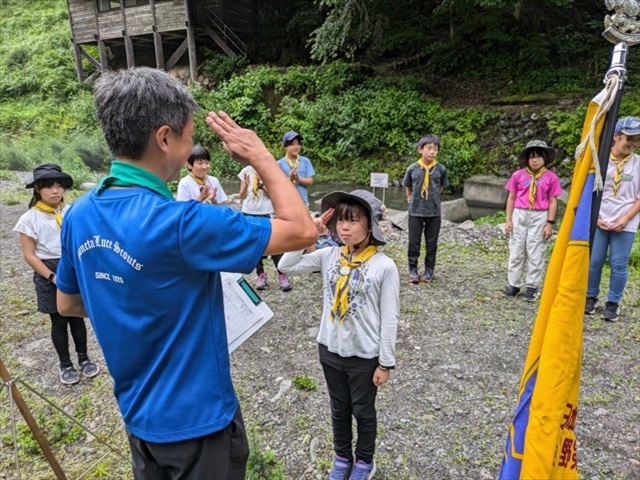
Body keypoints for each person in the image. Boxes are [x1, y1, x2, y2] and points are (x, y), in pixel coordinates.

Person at [55, 67, 317, 479]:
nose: (193, 145)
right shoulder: (182, 222)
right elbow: (301, 230)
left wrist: (131, 295)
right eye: (190, 136)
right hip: (200, 423)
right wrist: (262, 157)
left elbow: (67, 302)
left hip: (138, 417)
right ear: (165, 137)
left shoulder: (79, 214)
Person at [279, 190, 399, 480]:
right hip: (330, 349)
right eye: (340, 221)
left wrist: (385, 362)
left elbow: (390, 317)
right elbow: (286, 265)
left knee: (364, 411)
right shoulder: (329, 255)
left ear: (370, 225)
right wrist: (310, 233)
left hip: (364, 355)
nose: (344, 227)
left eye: (353, 221)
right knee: (338, 408)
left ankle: (365, 462)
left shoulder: (385, 266)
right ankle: (343, 457)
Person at [13, 164, 100, 385]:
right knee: (58, 320)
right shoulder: (29, 219)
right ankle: (65, 363)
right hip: (47, 270)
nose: (55, 191)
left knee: (77, 316)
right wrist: (52, 277)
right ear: (37, 189)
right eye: (49, 186)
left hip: (70, 264)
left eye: (59, 186)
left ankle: (84, 357)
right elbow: (30, 255)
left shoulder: (71, 211)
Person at [585, 116, 640, 321]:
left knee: (618, 263)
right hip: (600, 218)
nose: (634, 144)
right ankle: (591, 297)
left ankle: (613, 303)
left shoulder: (638, 163)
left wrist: (625, 219)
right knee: (595, 260)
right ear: (616, 136)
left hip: (626, 221)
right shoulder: (599, 160)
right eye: (630, 138)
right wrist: (596, 217)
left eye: (638, 139)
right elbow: (588, 191)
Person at [502, 140, 562, 302]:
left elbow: (552, 201)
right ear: (527, 159)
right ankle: (513, 284)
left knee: (536, 251)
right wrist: (508, 220)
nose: (535, 160)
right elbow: (511, 197)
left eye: (538, 157)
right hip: (520, 213)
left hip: (539, 215)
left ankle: (532, 286)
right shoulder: (518, 175)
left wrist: (550, 223)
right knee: (516, 250)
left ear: (545, 158)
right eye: (531, 157)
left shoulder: (551, 177)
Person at [402, 134, 450, 284]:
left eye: (435, 149)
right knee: (414, 241)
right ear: (420, 150)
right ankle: (413, 269)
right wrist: (410, 198)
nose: (432, 152)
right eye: (429, 148)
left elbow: (441, 187)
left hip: (434, 211)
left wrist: (433, 197)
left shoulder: (440, 169)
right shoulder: (412, 168)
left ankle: (429, 269)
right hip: (415, 210)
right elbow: (408, 186)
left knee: (431, 242)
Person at [238, 164, 292, 291]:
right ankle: (261, 275)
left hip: (267, 211)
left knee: (275, 243)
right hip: (249, 211)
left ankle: (282, 274)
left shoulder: (268, 169)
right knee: (255, 244)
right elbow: (241, 196)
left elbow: (275, 194)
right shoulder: (245, 171)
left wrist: (262, 185)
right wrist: (245, 185)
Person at [276, 130, 315, 206]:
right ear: (285, 146)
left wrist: (298, 179)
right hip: (286, 204)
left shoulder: (305, 161)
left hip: (303, 203)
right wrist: (290, 179)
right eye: (292, 144)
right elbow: (278, 187)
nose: (296, 147)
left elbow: (310, 181)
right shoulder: (279, 164)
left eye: (298, 144)